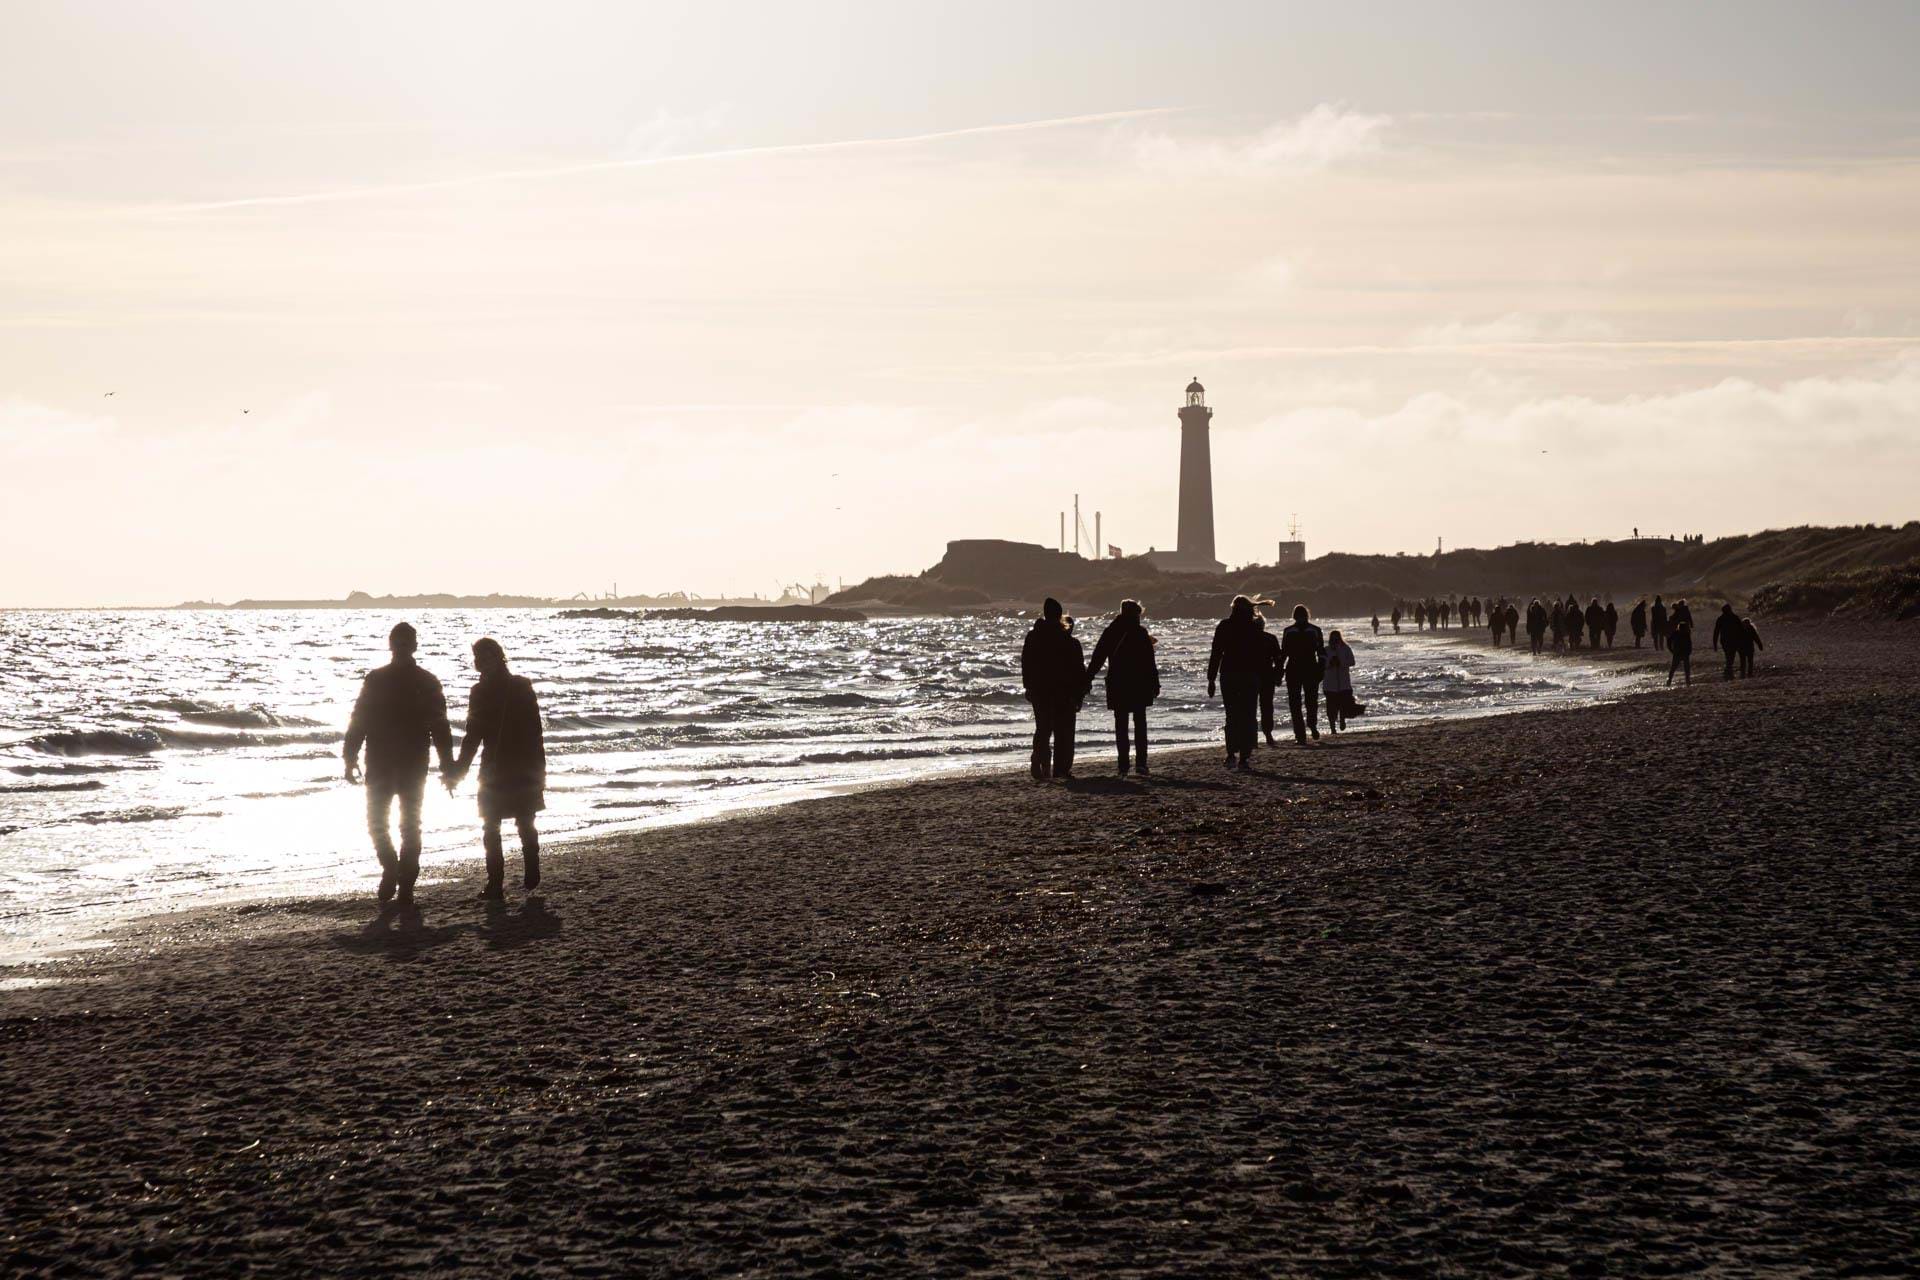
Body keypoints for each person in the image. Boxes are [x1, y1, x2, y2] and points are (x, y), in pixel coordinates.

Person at [344, 621, 454, 908]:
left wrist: (448, 766)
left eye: (406, 642)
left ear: (411, 646)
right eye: (400, 641)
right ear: (393, 645)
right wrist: (349, 756)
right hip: (394, 762)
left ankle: (400, 879)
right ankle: (396, 874)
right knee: (395, 824)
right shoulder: (387, 679)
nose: (403, 646)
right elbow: (360, 719)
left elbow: (440, 726)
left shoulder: (415, 681)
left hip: (400, 763)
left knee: (395, 824)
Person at [446, 637, 547, 902]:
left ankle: (525, 871)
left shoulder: (515, 687)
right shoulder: (486, 691)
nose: (480, 662)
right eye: (477, 657)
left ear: (498, 657)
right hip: (504, 766)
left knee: (517, 823)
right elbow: (473, 736)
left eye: (485, 656)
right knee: (495, 826)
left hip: (512, 766)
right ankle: (497, 882)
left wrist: (539, 770)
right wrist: (459, 771)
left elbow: (534, 731)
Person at [1084, 599, 1161, 776]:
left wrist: (1088, 678)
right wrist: (1155, 683)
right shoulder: (1140, 632)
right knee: (1140, 723)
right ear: (1135, 614)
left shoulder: (1111, 631)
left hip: (1117, 683)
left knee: (1121, 725)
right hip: (1139, 683)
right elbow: (1150, 662)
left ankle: (1123, 765)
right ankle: (1141, 764)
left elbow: (1098, 657)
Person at [1021, 597, 1087, 780]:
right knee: (1063, 731)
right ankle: (1060, 769)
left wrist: (1028, 686)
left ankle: (1040, 761)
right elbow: (1077, 669)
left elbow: (1026, 663)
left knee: (1043, 728)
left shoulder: (1033, 636)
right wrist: (1080, 692)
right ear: (1059, 615)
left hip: (1039, 690)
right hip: (1062, 691)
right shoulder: (1067, 640)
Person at [1207, 595, 1266, 769]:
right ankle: (1245, 756)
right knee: (1248, 714)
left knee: (1232, 715)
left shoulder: (1224, 626)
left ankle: (1231, 753)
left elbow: (1216, 652)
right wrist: (1264, 677)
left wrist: (1211, 678)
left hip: (1229, 674)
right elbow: (1260, 654)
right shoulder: (1254, 627)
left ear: (1233, 608)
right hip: (1250, 675)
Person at [1279, 604, 1326, 744]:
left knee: (1296, 703)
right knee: (1310, 701)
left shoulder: (1288, 631)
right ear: (1307, 615)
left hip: (1294, 669)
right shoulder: (1315, 630)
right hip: (1309, 668)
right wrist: (1321, 668)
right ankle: (1310, 726)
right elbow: (1321, 652)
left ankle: (1301, 734)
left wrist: (1279, 670)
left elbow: (1284, 653)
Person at [1321, 628, 1357, 732]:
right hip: (1329, 685)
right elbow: (1321, 665)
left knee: (1343, 705)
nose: (1335, 641)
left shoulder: (1346, 648)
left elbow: (1352, 662)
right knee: (1331, 708)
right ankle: (1332, 727)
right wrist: (1330, 664)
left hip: (1344, 683)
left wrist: (1341, 662)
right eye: (1333, 639)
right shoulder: (1326, 650)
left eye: (1337, 639)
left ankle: (1342, 720)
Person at [1255, 613, 1282, 746]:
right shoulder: (1270, 638)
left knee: (1250, 707)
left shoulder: (1246, 639)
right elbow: (1278, 660)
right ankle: (1268, 734)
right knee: (1267, 706)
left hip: (1251, 675)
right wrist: (1278, 676)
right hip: (1267, 675)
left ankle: (1252, 737)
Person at [1667, 619, 1693, 686]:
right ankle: (1669, 680)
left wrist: (1671, 649)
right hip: (1679, 653)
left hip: (1683, 653)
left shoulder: (1685, 634)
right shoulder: (1677, 633)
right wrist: (1671, 649)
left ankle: (1687, 681)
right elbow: (1669, 641)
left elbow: (1689, 643)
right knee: (1674, 668)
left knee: (1685, 668)